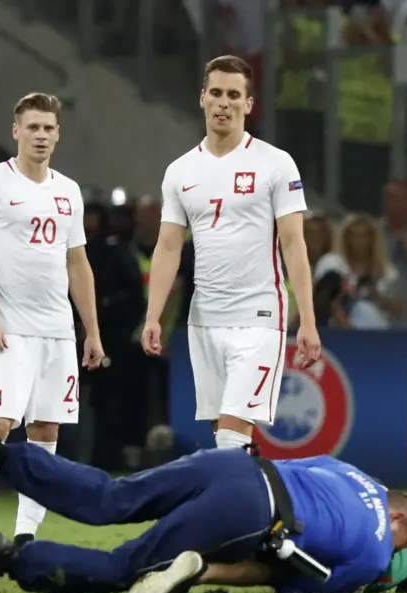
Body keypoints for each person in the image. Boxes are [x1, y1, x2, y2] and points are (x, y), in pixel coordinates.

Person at [0, 419, 407, 593]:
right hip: (251, 511)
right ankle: (12, 558)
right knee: (125, 567)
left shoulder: (352, 472)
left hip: (236, 466)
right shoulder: (377, 556)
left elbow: (294, 463)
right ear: (397, 520)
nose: (392, 556)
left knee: (112, 496)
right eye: (401, 545)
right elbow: (295, 585)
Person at [141, 55, 321, 451]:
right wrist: (154, 315)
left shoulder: (276, 164)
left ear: (249, 104)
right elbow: (169, 245)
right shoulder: (180, 171)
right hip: (204, 318)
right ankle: (262, 509)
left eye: (234, 95)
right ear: (202, 98)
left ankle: (253, 510)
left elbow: (293, 242)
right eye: (217, 93)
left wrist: (307, 318)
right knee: (227, 438)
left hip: (258, 315)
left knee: (230, 433)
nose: (224, 102)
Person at [0, 93, 104, 554]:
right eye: (33, 127)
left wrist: (91, 331)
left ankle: (25, 539)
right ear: (15, 130)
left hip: (57, 332)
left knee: (45, 432)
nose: (41, 135)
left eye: (48, 128)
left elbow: (78, 264)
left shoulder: (68, 191)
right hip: (8, 331)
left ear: (58, 134)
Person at [129, 519, 407, 593]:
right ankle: (204, 572)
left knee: (270, 556)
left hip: (337, 541)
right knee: (272, 571)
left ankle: (191, 563)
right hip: (345, 560)